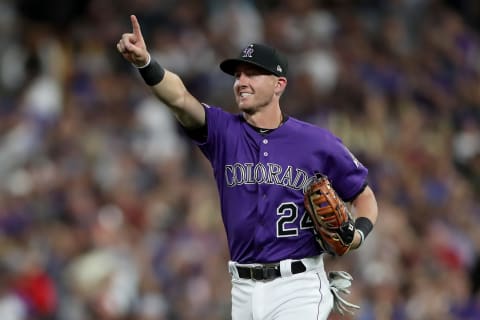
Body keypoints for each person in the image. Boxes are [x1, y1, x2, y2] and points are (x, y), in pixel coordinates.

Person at [117, 15, 378, 320]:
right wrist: (146, 63)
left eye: (252, 74)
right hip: (242, 289)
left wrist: (357, 235)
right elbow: (179, 98)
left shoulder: (316, 142)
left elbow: (364, 196)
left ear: (279, 84)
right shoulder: (222, 131)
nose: (241, 82)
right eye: (238, 75)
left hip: (298, 285)